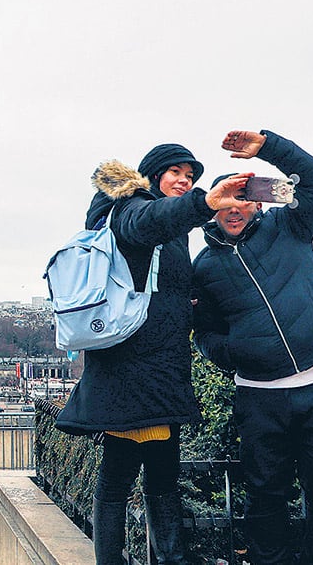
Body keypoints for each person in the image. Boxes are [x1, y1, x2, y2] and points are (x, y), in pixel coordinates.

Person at [55, 143, 251, 564]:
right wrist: (205, 202)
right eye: (175, 172)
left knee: (159, 476)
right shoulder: (133, 208)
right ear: (152, 176)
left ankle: (167, 558)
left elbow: (167, 286)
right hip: (134, 369)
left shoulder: (170, 228)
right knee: (120, 479)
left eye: (191, 175)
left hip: (159, 366)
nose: (185, 180)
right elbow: (151, 221)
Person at [192, 130, 313, 565]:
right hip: (260, 396)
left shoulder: (291, 227)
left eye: (243, 198)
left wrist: (266, 147)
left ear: (259, 202)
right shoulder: (204, 267)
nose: (234, 208)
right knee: (265, 497)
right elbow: (204, 331)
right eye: (226, 200)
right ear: (215, 207)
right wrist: (233, 354)